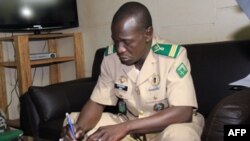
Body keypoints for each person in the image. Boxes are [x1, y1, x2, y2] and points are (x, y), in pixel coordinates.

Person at [63, 1, 204, 141]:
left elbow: (183, 112)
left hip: (167, 126)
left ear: (147, 34)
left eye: (127, 42)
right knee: (76, 121)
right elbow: (97, 102)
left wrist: (126, 127)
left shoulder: (173, 56)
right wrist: (79, 128)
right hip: (130, 124)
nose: (120, 49)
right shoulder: (111, 58)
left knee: (180, 135)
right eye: (116, 41)